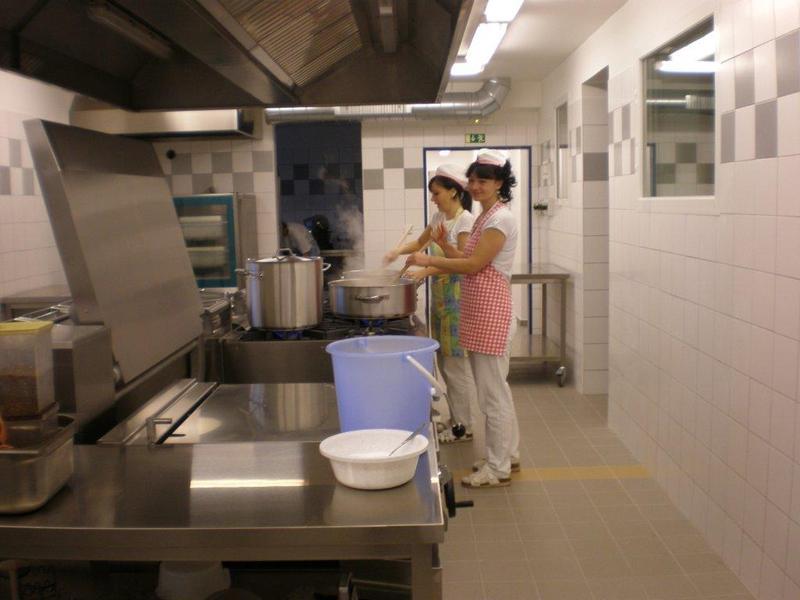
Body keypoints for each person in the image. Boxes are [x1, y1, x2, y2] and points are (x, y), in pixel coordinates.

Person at [405, 149, 520, 488]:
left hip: (492, 314)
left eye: (483, 180)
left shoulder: (500, 220)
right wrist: (444, 246)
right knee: (497, 392)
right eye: (472, 180)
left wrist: (428, 260)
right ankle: (507, 455)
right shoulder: (485, 216)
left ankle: (498, 468)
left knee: (492, 397)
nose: (476, 186)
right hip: (481, 312)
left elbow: (473, 266)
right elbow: (465, 257)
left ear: (499, 183)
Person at [384, 164, 478, 444]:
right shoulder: (439, 217)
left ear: (453, 192)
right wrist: (396, 251)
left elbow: (463, 262)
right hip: (440, 302)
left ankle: (464, 426)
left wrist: (425, 271)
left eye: (436, 193)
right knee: (445, 364)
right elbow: (419, 243)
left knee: (455, 367)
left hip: (458, 302)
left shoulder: (465, 221)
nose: (433, 199)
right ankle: (456, 417)